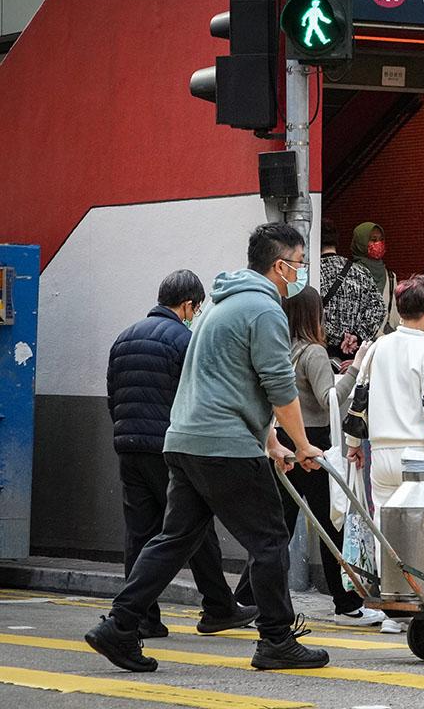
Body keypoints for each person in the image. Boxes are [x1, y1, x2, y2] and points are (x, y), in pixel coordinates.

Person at [86, 223, 329, 673]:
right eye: (299, 263)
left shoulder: (220, 303)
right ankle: (276, 639)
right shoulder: (264, 310)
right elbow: (276, 385)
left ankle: (118, 626)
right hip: (224, 445)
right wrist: (303, 443)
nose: (301, 271)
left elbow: (232, 382)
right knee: (270, 539)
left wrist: (272, 443)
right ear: (280, 265)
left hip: (184, 440)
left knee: (174, 538)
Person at [105, 270, 257, 640]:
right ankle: (218, 606)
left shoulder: (123, 339)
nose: (196, 314)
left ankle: (143, 617)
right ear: (188, 305)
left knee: (140, 533)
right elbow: (194, 396)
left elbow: (113, 396)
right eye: (197, 307)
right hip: (169, 447)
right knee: (192, 527)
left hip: (128, 445)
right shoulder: (184, 341)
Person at [232, 286, 384, 628]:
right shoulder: (313, 352)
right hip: (312, 443)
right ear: (312, 315)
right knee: (331, 524)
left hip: (283, 439)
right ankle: (346, 604)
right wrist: (355, 368)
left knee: (278, 527)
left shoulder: (286, 349)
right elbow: (330, 398)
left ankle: (245, 598)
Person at [350, 275, 424, 515]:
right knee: (421, 534)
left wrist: (353, 443)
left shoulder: (378, 347)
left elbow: (360, 395)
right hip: (420, 455)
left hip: (380, 453)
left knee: (384, 529)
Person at [319, 220, 385, 361]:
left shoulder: (312, 273)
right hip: (354, 353)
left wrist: (337, 336)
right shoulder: (360, 271)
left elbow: (309, 312)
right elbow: (379, 309)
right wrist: (357, 335)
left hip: (322, 351)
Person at [351, 222, 402, 337]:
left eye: (381, 239)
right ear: (361, 242)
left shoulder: (390, 276)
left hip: (385, 340)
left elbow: (394, 312)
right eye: (373, 240)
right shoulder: (352, 274)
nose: (378, 244)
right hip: (359, 342)